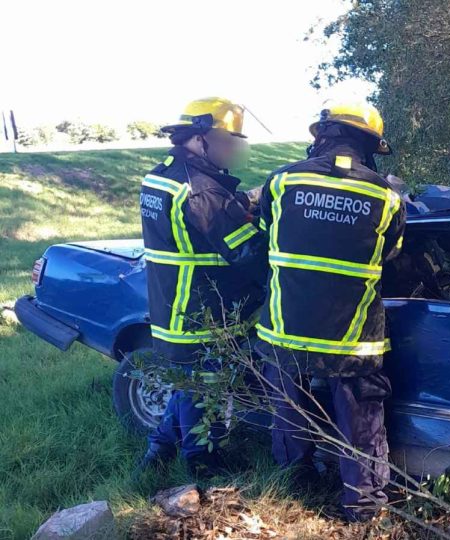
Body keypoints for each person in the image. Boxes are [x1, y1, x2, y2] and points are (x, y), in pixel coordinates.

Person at [255, 102, 406, 521]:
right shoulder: (386, 195)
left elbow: (268, 234)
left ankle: (293, 486)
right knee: (361, 421)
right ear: (370, 144)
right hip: (352, 334)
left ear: (321, 135)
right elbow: (391, 254)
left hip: (286, 329)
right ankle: (363, 506)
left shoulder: (282, 181)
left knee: (289, 409)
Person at [136, 97, 265, 477]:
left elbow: (204, 221)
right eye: (226, 142)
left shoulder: (163, 175)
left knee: (188, 385)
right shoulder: (201, 191)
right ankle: (203, 464)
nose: (232, 150)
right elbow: (247, 251)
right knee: (206, 389)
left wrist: (245, 200)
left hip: (171, 305)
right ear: (198, 138)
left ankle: (157, 452)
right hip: (203, 309)